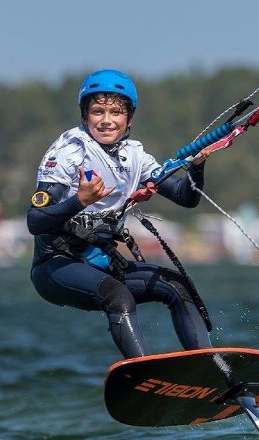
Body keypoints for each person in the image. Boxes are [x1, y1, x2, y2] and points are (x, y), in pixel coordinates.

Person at [27, 69, 213, 359]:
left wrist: (197, 168)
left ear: (129, 119)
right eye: (97, 111)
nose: (106, 120)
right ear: (84, 114)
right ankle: (143, 376)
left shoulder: (134, 157)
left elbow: (185, 198)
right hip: (56, 266)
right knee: (118, 296)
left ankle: (211, 367)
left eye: (116, 112)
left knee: (176, 285)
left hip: (100, 264)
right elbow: (35, 221)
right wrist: (79, 200)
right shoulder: (67, 153)